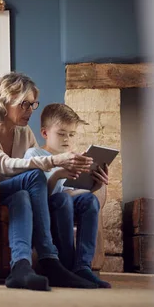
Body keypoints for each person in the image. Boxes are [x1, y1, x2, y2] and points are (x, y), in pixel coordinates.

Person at [0, 72, 98, 291]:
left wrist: (75, 173)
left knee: (22, 196)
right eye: (24, 104)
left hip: (15, 191)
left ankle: (21, 267)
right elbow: (1, 165)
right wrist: (54, 160)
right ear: (5, 101)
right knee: (34, 175)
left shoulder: (24, 132)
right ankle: (49, 259)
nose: (29, 111)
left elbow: (37, 172)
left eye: (33, 105)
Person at [24, 103, 111, 288]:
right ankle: (65, 265)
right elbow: (38, 194)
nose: (67, 139)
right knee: (63, 200)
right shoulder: (34, 154)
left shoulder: (72, 157)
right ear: (45, 133)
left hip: (66, 201)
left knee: (89, 200)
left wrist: (95, 183)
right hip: (46, 206)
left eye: (71, 134)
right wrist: (57, 174)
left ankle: (83, 267)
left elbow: (72, 191)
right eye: (61, 134)